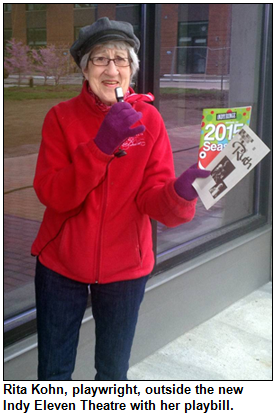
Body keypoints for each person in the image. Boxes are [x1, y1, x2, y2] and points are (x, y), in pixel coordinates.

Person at [31, 17, 210, 381]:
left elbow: (153, 200)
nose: (112, 69)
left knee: (112, 372)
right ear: (85, 69)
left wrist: (182, 192)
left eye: (122, 59)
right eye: (100, 59)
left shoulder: (150, 120)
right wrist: (99, 148)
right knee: (53, 371)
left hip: (126, 267)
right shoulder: (61, 117)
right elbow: (52, 194)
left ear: (132, 68)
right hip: (60, 264)